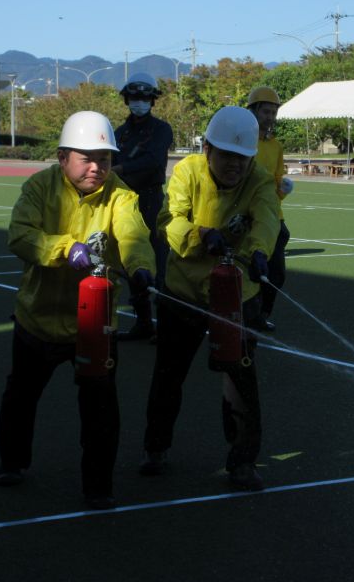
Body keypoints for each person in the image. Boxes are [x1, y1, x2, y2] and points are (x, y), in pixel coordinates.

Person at [0, 111, 155, 510]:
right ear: (62, 157)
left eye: (104, 158)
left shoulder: (121, 195)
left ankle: (98, 486)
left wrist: (140, 268)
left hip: (95, 324)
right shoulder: (39, 187)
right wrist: (65, 248)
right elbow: (20, 235)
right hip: (37, 318)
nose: (97, 167)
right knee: (21, 397)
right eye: (87, 158)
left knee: (101, 408)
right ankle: (12, 461)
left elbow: (133, 235)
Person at [139, 106, 280, 491]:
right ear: (207, 150)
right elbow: (168, 220)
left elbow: (267, 218)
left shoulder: (259, 179)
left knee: (241, 379)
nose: (236, 164)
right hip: (184, 290)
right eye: (227, 155)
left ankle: (243, 461)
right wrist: (200, 234)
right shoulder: (187, 172)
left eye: (243, 157)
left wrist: (259, 252)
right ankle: (155, 447)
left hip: (237, 293)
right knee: (169, 373)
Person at [112, 72, 173, 341]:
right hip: (125, 201)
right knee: (131, 261)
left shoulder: (161, 129)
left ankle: (166, 326)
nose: (139, 102)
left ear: (152, 100)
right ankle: (144, 323)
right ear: (127, 100)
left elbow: (153, 161)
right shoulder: (119, 133)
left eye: (145, 98)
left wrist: (121, 168)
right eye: (134, 97)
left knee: (159, 263)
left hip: (150, 200)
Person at [247, 86, 293, 333]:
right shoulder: (243, 140)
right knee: (246, 271)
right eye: (266, 111)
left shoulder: (276, 146)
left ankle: (262, 314)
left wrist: (282, 189)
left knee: (276, 274)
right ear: (253, 111)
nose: (270, 117)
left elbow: (276, 181)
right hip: (245, 214)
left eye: (274, 113)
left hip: (272, 217)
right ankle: (245, 314)